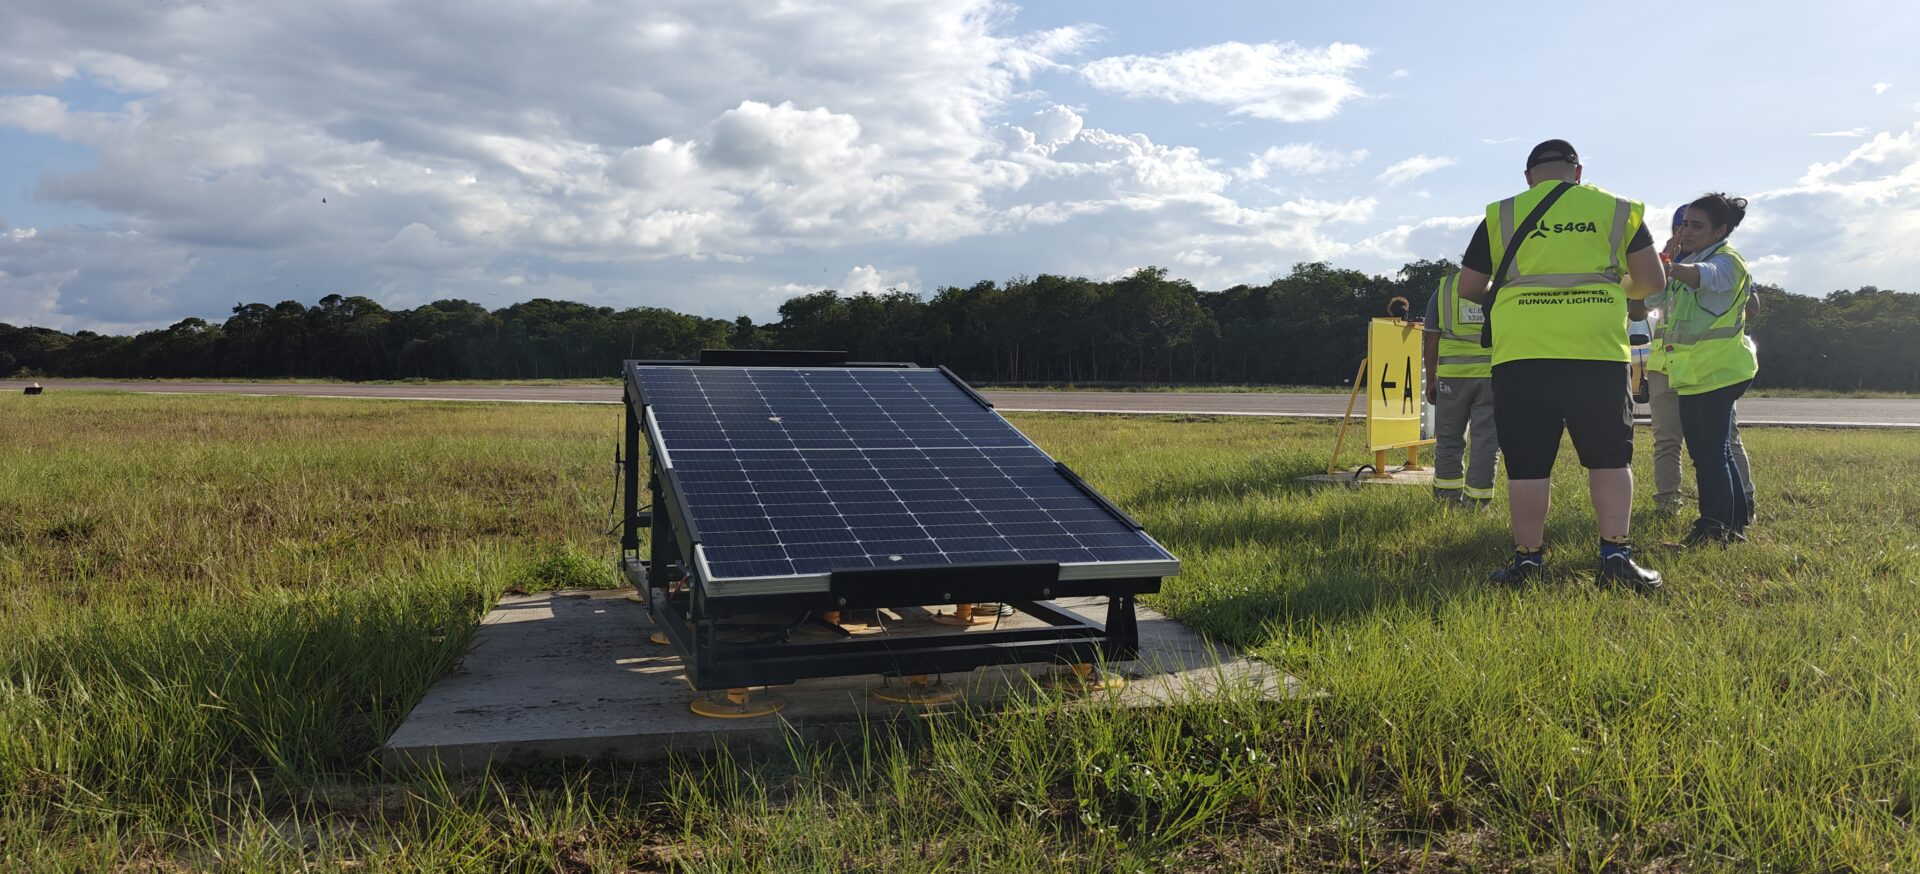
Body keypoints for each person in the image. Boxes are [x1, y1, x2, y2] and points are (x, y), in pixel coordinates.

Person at [1454, 139, 1667, 590]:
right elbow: (1652, 280)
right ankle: (1615, 559)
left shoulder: (1502, 213)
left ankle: (1528, 563)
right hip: (1597, 352)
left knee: (1528, 463)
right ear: (1578, 172)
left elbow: (1468, 286)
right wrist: (1612, 287)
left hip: (1522, 353)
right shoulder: (1616, 210)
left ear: (1529, 177)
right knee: (1609, 458)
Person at [1661, 193, 1759, 545]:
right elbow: (1656, 298)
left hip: (1719, 373)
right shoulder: (1690, 259)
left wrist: (1669, 264)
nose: (1687, 231)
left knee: (1708, 455)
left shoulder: (1726, 260)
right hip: (1697, 374)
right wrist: (1668, 258)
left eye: (1697, 226)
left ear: (1720, 230)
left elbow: (1706, 277)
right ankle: (1733, 524)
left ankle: (1713, 528)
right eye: (1685, 224)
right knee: (1713, 452)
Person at [1422, 273, 1498, 506]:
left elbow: (1431, 339)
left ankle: (1446, 500)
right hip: (1490, 376)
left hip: (1452, 377)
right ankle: (1477, 503)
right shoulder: (1500, 286)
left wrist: (1431, 379)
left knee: (1449, 439)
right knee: (1486, 442)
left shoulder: (1444, 290)